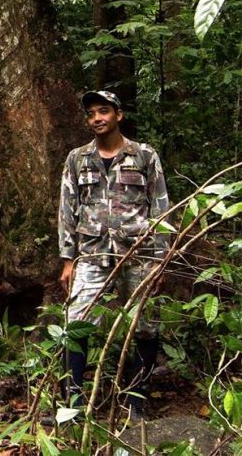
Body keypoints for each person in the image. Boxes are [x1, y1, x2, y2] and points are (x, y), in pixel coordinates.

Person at [58, 90, 170, 421]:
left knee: (146, 325)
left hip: (139, 253)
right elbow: (67, 208)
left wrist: (162, 257)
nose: (97, 118)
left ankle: (136, 400)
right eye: (91, 113)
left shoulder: (144, 156)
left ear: (118, 115)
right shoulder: (77, 158)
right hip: (91, 254)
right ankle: (73, 404)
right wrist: (67, 259)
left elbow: (160, 206)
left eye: (103, 111)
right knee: (75, 324)